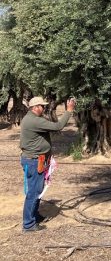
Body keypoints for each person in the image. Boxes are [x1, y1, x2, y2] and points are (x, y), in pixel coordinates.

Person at [20, 96, 76, 232]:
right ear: (35, 107)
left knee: (36, 191)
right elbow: (58, 126)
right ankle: (28, 224)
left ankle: (34, 216)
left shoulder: (31, 118)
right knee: (34, 192)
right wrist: (68, 111)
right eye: (42, 106)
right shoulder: (34, 121)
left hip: (36, 160)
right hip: (34, 161)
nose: (44, 108)